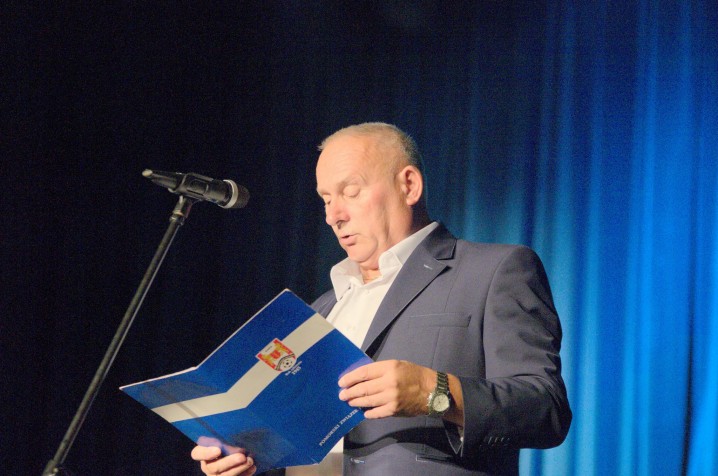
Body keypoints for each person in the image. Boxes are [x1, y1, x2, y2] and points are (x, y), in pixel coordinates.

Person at [191, 122, 571, 475]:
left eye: (350, 191)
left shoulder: (493, 271)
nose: (333, 216)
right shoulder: (317, 310)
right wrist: (248, 459)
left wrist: (434, 392)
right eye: (326, 199)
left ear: (409, 186)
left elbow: (545, 409)